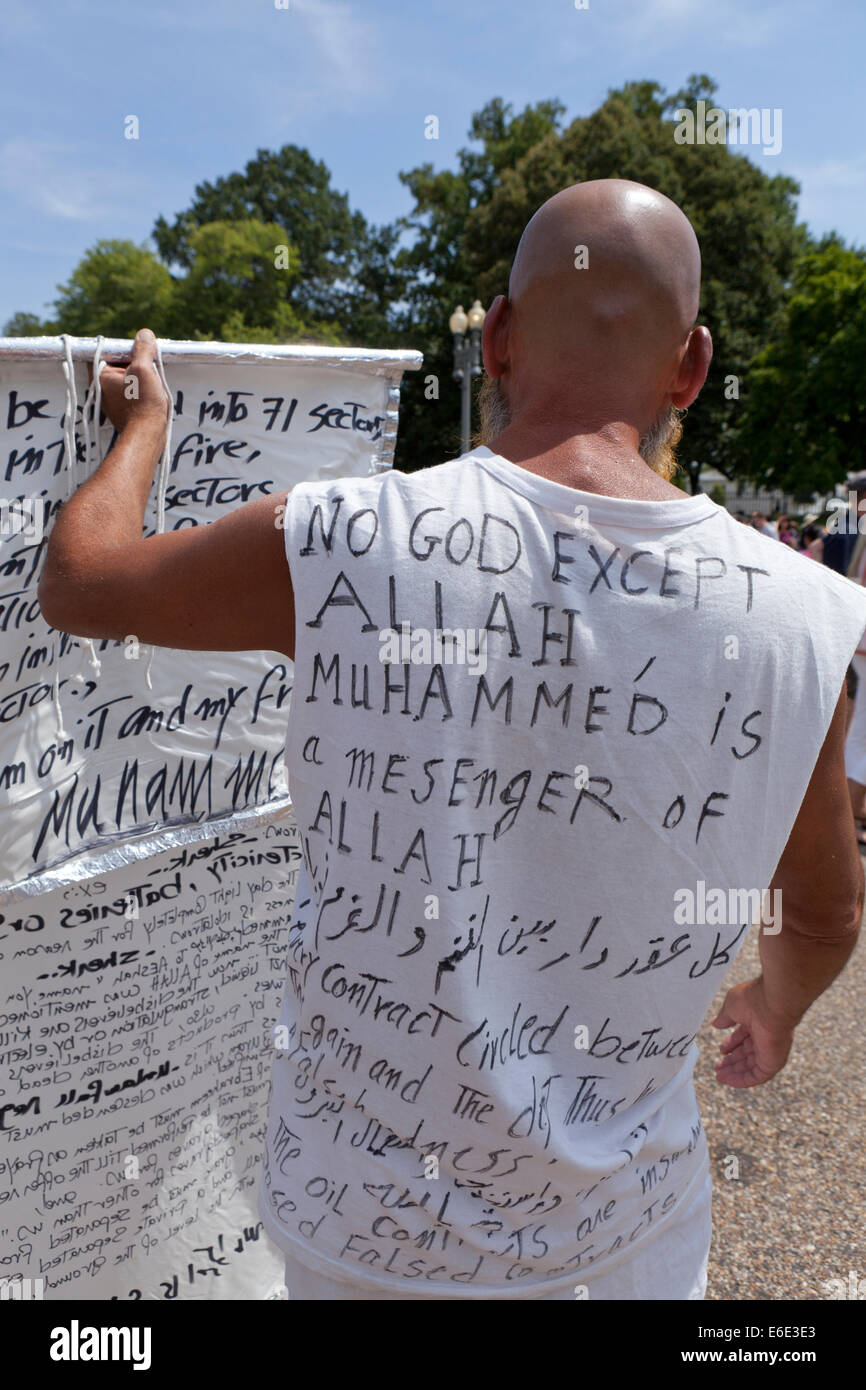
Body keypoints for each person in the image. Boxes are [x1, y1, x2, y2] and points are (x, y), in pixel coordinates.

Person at [38, 178, 866, 1302]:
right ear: (690, 368)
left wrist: (142, 431)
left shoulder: (339, 540)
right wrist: (771, 1008)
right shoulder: (804, 613)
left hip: (361, 1239)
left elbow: (82, 584)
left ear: (502, 340)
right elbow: (822, 911)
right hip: (622, 1246)